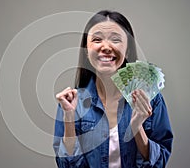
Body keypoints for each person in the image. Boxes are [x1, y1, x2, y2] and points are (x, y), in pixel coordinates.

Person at [53, 10, 173, 168]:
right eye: (97, 39)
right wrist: (69, 118)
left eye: (115, 40)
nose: (106, 47)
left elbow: (159, 162)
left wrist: (137, 128)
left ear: (127, 50)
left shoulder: (151, 99)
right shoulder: (72, 103)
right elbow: (66, 166)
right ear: (87, 51)